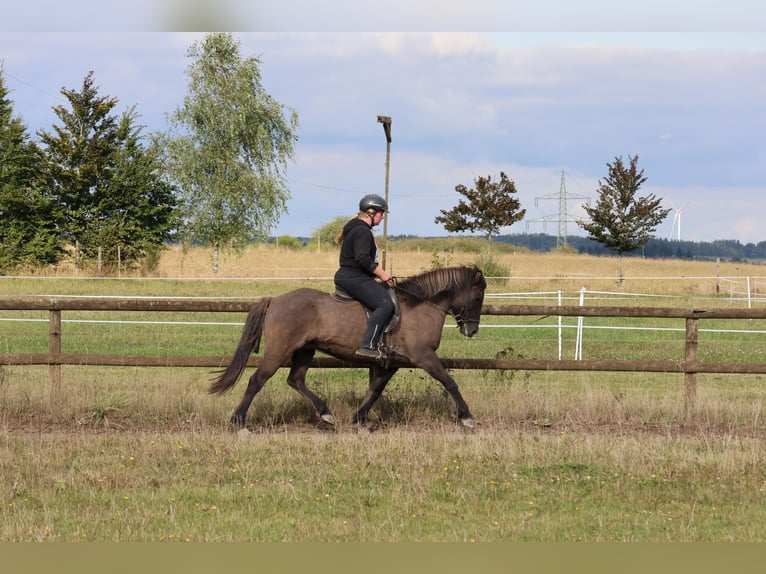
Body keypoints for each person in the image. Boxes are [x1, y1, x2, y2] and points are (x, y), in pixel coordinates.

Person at [334, 193, 395, 359]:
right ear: (371, 213)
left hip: (352, 276)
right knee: (385, 304)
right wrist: (382, 274)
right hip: (353, 277)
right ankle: (367, 344)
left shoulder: (357, 228)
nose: (382, 218)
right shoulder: (362, 231)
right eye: (381, 214)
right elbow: (362, 258)